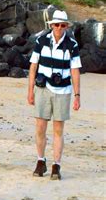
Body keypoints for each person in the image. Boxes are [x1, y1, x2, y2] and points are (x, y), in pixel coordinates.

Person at [27, 10, 81, 180]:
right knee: (40, 128)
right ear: (51, 25)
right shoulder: (41, 40)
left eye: (62, 25)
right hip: (42, 89)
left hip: (63, 91)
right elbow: (33, 67)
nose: (59, 28)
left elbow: (75, 71)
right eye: (56, 25)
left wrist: (77, 95)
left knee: (58, 129)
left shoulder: (72, 45)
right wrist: (30, 91)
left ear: (66, 26)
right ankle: (40, 161)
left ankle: (56, 165)